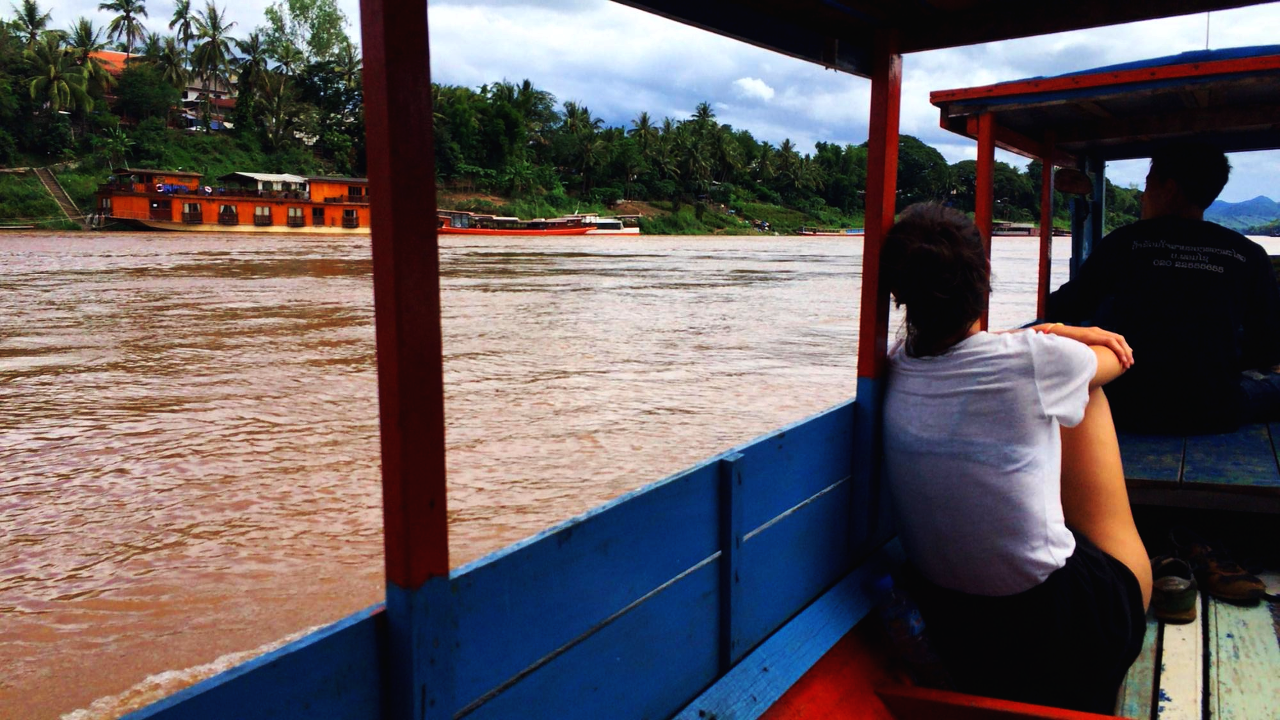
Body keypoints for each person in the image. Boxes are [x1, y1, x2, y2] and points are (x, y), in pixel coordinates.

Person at [880, 203, 1152, 714]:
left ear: (899, 295)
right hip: (1063, 636)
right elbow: (1116, 358)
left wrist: (1042, 336)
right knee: (1086, 393)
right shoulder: (1035, 360)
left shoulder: (897, 366)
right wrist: (1067, 333)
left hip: (959, 632)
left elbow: (984, 349)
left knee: (1056, 397)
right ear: (983, 282)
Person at [1046, 142, 1280, 433]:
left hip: (1126, 405)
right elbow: (1267, 345)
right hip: (1215, 409)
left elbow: (1066, 306)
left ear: (1168, 189)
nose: (1143, 196)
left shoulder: (1124, 243)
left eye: (1147, 185)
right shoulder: (1249, 253)